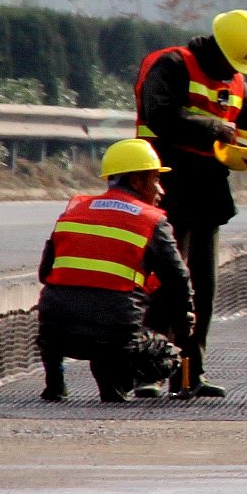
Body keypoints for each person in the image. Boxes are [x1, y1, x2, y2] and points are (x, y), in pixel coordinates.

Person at [134, 8, 247, 397]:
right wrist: (217, 128)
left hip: (207, 196)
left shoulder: (235, 81)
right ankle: (148, 372)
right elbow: (159, 114)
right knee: (165, 285)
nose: (234, 70)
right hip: (165, 188)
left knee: (201, 289)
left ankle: (188, 375)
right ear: (216, 46)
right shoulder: (171, 65)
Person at [36, 139, 192, 403]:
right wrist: (185, 316)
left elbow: (45, 273)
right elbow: (177, 277)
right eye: (155, 180)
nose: (161, 190)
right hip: (114, 336)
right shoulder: (151, 220)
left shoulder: (74, 212)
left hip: (57, 332)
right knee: (166, 356)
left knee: (57, 320)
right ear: (136, 181)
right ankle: (115, 385)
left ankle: (55, 383)